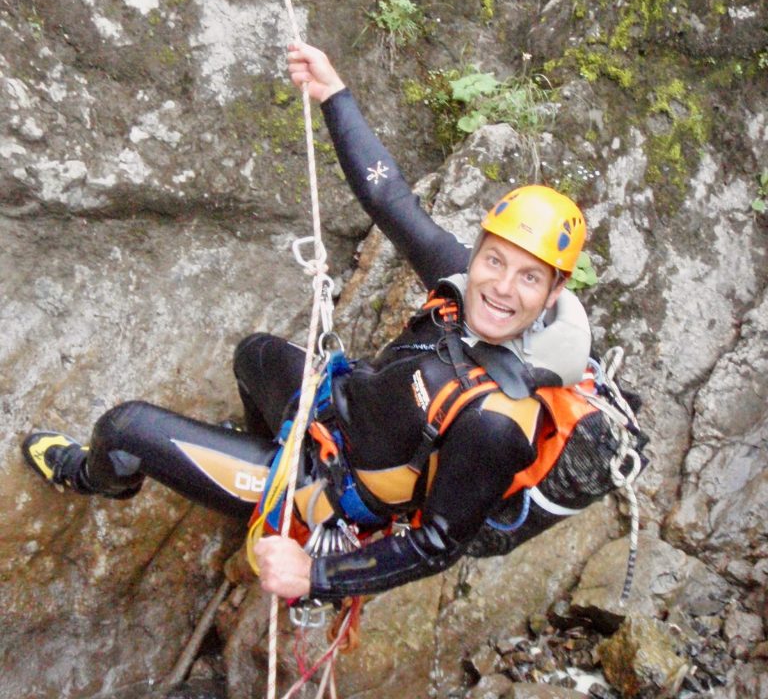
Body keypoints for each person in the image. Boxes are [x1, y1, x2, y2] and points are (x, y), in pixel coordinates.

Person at [22, 43, 597, 604]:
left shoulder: (498, 422)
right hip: (326, 408)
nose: (500, 287)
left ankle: (93, 478)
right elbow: (390, 201)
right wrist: (333, 95)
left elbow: (437, 545)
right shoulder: (458, 281)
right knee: (253, 355)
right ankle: (252, 455)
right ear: (478, 253)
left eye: (528, 277)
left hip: (322, 485)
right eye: (494, 260)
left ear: (554, 291)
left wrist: (314, 576)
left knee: (124, 429)